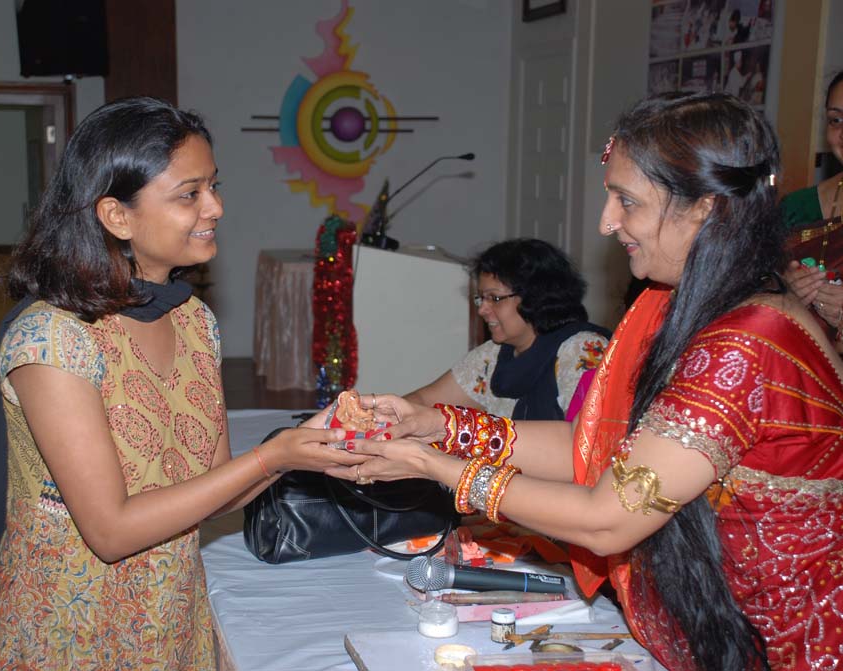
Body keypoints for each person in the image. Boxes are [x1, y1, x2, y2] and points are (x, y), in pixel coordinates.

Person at [335, 93, 843, 671]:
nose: (606, 222)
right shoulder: (694, 307)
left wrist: (434, 467)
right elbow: (592, 447)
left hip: (792, 649)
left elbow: (607, 518)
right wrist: (437, 426)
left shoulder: (746, 341)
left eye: (627, 201)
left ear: (704, 207)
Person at [0, 97, 362, 670]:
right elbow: (111, 531)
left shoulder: (194, 321)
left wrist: (306, 444)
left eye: (213, 185)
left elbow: (214, 487)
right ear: (116, 216)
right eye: (190, 194)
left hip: (169, 622)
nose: (215, 206)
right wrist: (273, 457)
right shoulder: (55, 338)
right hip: (69, 630)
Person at [404, 238, 610, 420]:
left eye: (494, 298)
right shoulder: (493, 355)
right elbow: (424, 401)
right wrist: (389, 413)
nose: (482, 310)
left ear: (535, 297)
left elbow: (583, 439)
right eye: (481, 298)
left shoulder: (583, 349)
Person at [781, 71, 843, 352]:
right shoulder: (797, 208)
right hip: (799, 368)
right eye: (836, 119)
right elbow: (751, 295)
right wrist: (785, 292)